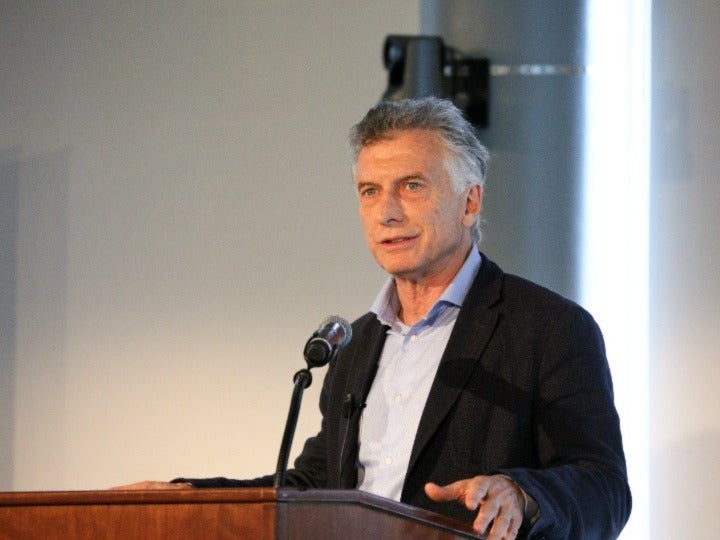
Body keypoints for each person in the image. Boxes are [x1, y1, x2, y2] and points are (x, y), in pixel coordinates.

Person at [117, 97, 631, 539]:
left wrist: (522, 495)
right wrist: (187, 497)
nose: (386, 212)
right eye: (370, 191)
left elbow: (604, 488)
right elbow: (315, 490)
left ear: (470, 201)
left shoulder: (548, 329)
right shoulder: (355, 344)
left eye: (411, 187)